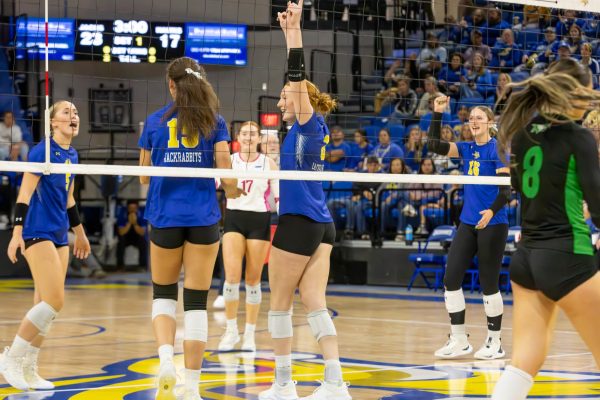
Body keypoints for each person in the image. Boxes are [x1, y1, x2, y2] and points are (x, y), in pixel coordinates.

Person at [491, 58, 600, 400]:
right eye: (588, 90)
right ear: (574, 93)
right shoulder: (578, 137)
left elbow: (519, 185)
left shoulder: (523, 135)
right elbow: (597, 202)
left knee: (524, 362)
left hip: (527, 260)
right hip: (568, 255)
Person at [259, 1, 351, 398]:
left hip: (299, 222)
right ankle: (334, 383)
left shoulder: (309, 124)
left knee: (279, 304)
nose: (280, 102)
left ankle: (283, 385)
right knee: (314, 302)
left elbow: (296, 74)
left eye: (285, 96)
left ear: (302, 101)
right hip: (322, 224)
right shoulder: (304, 131)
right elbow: (295, 80)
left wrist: (291, 32)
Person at [138, 57, 243, 400]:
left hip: (165, 216)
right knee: (196, 301)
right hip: (203, 219)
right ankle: (193, 388)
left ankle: (166, 360)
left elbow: (143, 177)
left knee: (164, 295)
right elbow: (226, 173)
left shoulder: (154, 122)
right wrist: (233, 191)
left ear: (171, 85)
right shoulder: (216, 121)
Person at [1, 101, 90, 390]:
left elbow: (69, 198)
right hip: (36, 231)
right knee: (55, 300)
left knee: (46, 306)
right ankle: (11, 359)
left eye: (75, 113)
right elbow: (24, 193)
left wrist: (80, 232)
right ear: (52, 122)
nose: (72, 116)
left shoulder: (72, 154)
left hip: (60, 233)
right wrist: (17, 233)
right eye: (66, 112)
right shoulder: (43, 150)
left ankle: (30, 368)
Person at [427, 95, 510, 360]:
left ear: (490, 122)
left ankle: (495, 341)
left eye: (479, 118)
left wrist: (491, 211)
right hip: (468, 222)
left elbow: (507, 189)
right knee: (451, 278)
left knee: (488, 283)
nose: (474, 121)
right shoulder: (465, 148)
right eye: (471, 117)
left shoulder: (497, 150)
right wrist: (437, 113)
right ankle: (459, 339)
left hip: (493, 223)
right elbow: (433, 144)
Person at [218, 121, 279, 353]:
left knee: (253, 279)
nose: (249, 137)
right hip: (234, 218)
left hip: (259, 221)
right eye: (245, 133)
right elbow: (215, 184)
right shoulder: (229, 160)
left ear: (259, 138)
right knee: (232, 277)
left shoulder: (269, 164)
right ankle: (231, 331)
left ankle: (250, 335)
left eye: (253, 134)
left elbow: (278, 197)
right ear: (238, 137)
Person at [116, 199, 147, 271]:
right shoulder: (122, 214)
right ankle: (120, 266)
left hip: (137, 237)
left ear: (137, 208)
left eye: (134, 208)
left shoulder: (142, 214)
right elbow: (121, 232)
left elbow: (142, 232)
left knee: (143, 240)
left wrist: (135, 223)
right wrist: (129, 223)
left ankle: (142, 266)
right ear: (127, 208)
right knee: (120, 241)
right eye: (130, 208)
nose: (132, 210)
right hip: (126, 237)